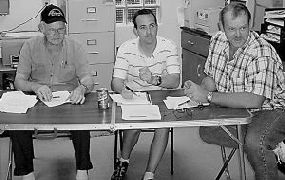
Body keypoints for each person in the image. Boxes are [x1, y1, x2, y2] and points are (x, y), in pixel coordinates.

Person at [184, 2, 285, 180]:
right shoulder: (217, 40)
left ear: (250, 24)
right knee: (207, 130)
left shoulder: (261, 52)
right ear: (221, 27)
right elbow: (212, 78)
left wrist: (208, 96)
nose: (238, 35)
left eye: (243, 28)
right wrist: (198, 91)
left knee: (256, 144)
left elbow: (255, 100)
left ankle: (265, 144)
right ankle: (275, 145)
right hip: (239, 105)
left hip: (273, 108)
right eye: (232, 29)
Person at [9, 4, 94, 180]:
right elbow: (19, 81)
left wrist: (81, 88)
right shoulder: (29, 46)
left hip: (68, 98)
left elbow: (87, 79)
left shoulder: (75, 47)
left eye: (61, 30)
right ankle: (27, 172)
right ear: (41, 28)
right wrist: (35, 87)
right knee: (17, 123)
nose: (57, 34)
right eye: (52, 30)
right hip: (37, 98)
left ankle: (82, 169)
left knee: (83, 121)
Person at [111, 9, 180, 180]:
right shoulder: (126, 49)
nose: (149, 32)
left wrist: (155, 80)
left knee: (163, 127)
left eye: (152, 26)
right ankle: (123, 161)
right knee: (134, 124)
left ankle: (149, 174)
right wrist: (123, 90)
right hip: (134, 95)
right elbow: (116, 82)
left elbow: (174, 81)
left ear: (157, 26)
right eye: (143, 28)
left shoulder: (168, 46)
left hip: (160, 97)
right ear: (135, 30)